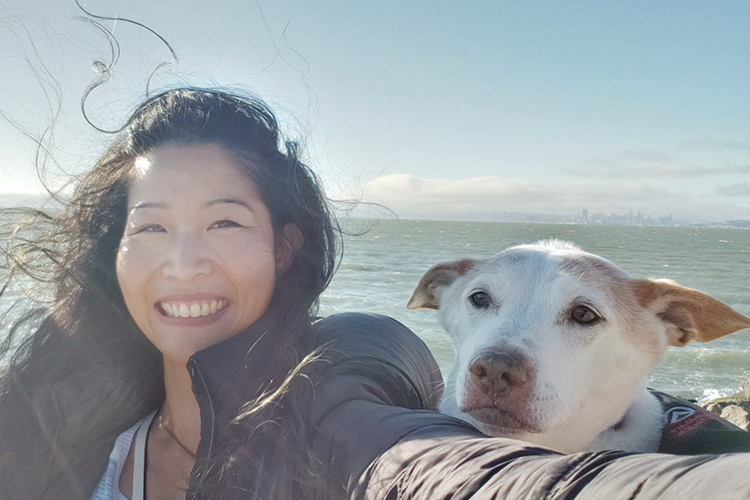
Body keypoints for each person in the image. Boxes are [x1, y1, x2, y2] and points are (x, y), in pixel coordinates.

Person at [1, 88, 749, 500]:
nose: (184, 261)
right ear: (117, 251)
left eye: (224, 221)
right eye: (152, 226)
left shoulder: (336, 407)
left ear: (285, 246)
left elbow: (441, 470)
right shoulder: (47, 407)